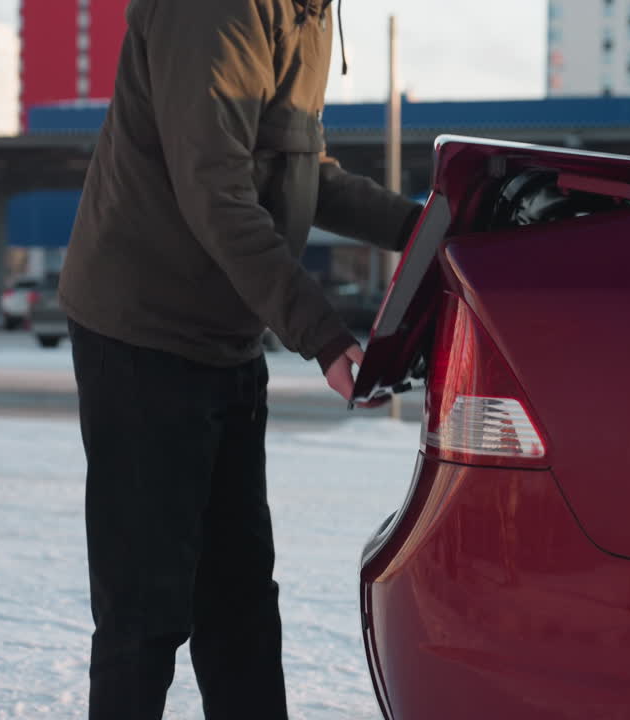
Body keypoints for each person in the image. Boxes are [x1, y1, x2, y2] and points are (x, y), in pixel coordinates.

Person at [56, 1, 422, 718]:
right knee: (146, 609)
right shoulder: (218, 9)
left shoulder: (306, 12)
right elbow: (216, 193)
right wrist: (321, 332)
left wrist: (426, 230)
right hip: (142, 332)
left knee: (240, 601)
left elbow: (303, 169)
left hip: (224, 335)